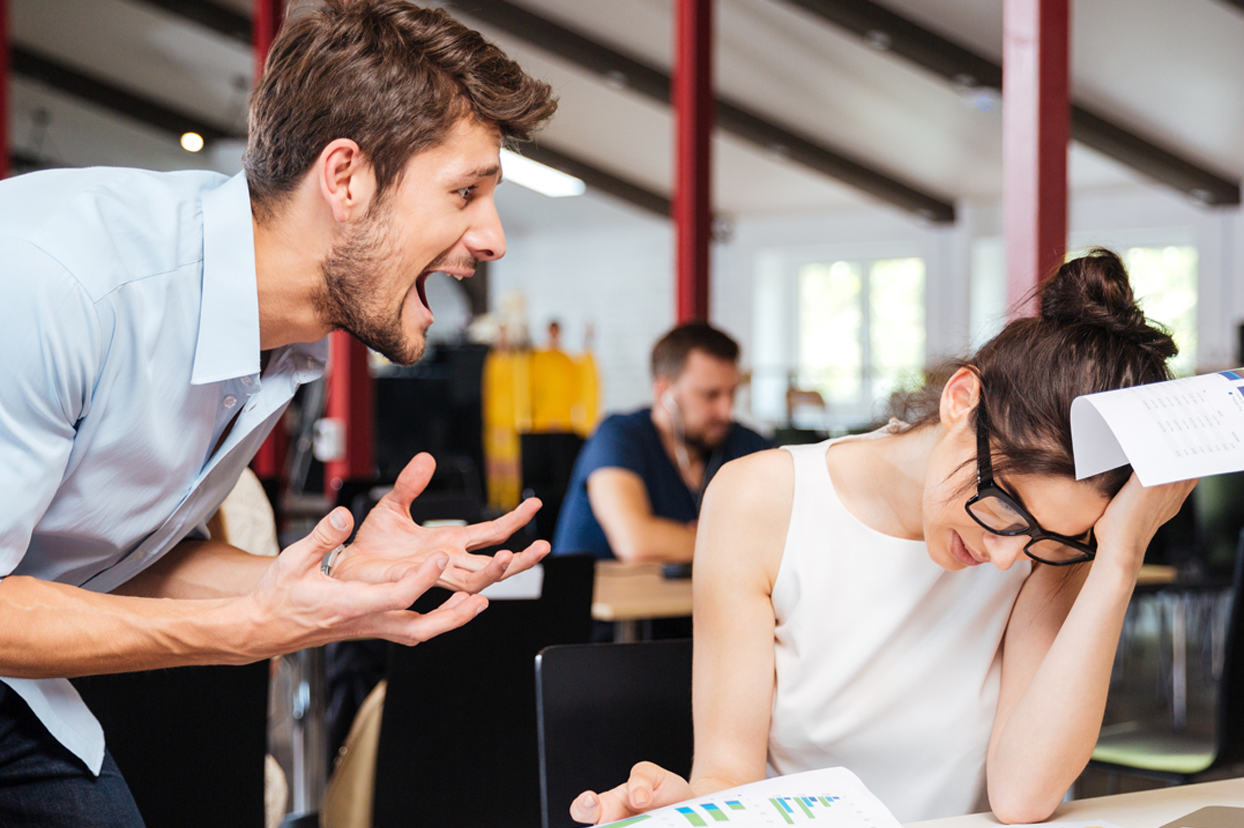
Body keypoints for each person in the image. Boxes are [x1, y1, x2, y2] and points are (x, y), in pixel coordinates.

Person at [0, 2, 556, 824]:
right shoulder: (56, 281)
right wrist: (247, 629)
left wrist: (332, 581)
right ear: (345, 177)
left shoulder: (284, 341)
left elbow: (97, 559)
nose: (494, 238)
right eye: (464, 191)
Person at [569, 250, 1197, 824]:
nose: (1007, 557)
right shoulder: (761, 499)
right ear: (961, 400)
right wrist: (681, 810)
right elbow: (728, 778)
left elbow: (1021, 795)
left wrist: (1116, 557)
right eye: (1004, 507)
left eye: (1045, 539)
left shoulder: (1051, 549)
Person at [552, 323, 772, 563]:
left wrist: (685, 540)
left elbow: (788, 535)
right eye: (710, 395)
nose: (725, 410)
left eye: (732, 393)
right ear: (663, 391)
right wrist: (740, 541)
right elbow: (636, 542)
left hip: (687, 599)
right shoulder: (617, 437)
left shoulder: (744, 443)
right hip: (604, 599)